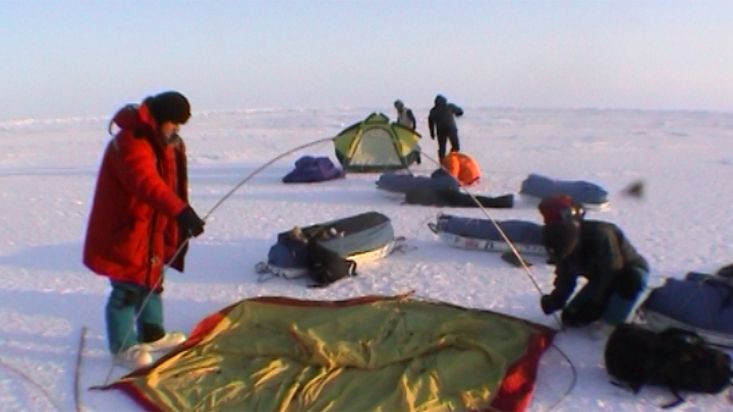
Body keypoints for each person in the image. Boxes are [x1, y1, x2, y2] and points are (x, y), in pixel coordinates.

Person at [83, 91, 206, 368]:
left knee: (151, 279)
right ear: (160, 119)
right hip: (124, 229)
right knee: (126, 286)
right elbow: (145, 183)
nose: (177, 129)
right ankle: (122, 346)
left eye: (180, 125)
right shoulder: (131, 142)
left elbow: (170, 183)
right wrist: (180, 211)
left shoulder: (163, 142)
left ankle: (152, 333)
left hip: (150, 227)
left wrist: (178, 217)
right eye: (173, 122)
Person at [537, 195, 649, 327]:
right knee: (570, 318)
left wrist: (596, 304)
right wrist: (555, 301)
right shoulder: (560, 243)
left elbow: (612, 270)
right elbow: (566, 278)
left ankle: (617, 319)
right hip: (599, 278)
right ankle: (606, 306)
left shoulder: (601, 234)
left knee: (629, 283)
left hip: (627, 272)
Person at [428, 94, 463, 161]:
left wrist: (432, 133)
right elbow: (460, 112)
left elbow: (430, 123)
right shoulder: (449, 106)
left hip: (441, 131)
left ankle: (443, 163)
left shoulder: (433, 110)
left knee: (442, 148)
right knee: (456, 147)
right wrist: (457, 114)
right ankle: (452, 159)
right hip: (451, 129)